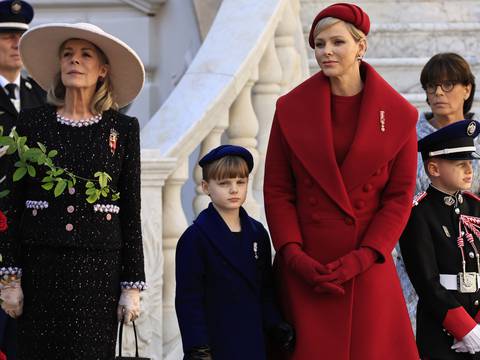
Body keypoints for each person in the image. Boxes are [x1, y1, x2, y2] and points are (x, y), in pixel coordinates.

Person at [263, 3, 419, 359]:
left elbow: (398, 198)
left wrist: (364, 257)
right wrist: (292, 253)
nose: (326, 51)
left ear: (361, 46)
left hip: (366, 269)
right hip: (305, 270)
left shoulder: (399, 115)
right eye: (319, 44)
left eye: (337, 42)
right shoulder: (289, 108)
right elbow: (277, 190)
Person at [0, 22, 146, 359]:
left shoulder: (121, 129)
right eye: (67, 54)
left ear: (102, 70)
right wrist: (10, 277)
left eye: (85, 55)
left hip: (98, 276)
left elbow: (131, 209)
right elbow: (11, 206)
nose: (74, 61)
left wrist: (132, 285)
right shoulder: (32, 124)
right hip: (41, 273)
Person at [175, 145, 295, 360]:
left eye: (241, 182)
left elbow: (265, 290)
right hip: (216, 344)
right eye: (224, 183)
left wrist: (275, 324)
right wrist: (197, 348)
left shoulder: (258, 233)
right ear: (205, 187)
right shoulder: (195, 238)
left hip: (254, 343)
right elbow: (188, 300)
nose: (234, 190)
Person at [396, 52, 477, 332]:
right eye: (431, 86)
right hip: (417, 251)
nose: (438, 93)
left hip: (470, 252)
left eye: (448, 85)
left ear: (467, 88)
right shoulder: (407, 136)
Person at [400, 120, 480, 359]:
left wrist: (477, 326)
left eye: (470, 163)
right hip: (441, 327)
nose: (469, 170)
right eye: (460, 164)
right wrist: (464, 328)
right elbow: (426, 281)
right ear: (433, 168)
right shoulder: (418, 213)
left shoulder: (475, 207)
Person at [0, 1, 45, 359]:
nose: (16, 43)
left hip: (31, 227)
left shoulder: (41, 95)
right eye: (7, 35)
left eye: (21, 36)